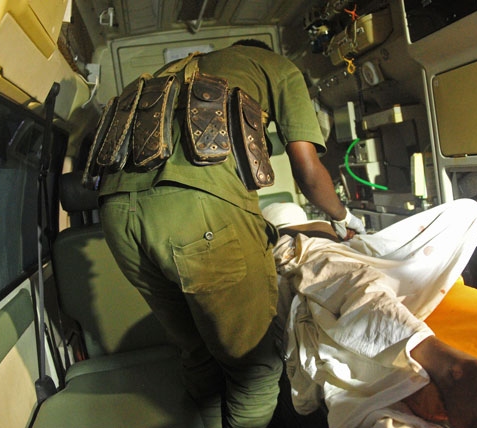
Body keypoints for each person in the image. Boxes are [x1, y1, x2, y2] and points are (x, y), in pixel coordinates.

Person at [94, 40, 365, 428]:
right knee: (254, 369)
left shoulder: (168, 72)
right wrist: (342, 217)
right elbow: (307, 168)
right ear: (259, 50)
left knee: (196, 353)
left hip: (117, 215)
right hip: (198, 215)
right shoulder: (278, 65)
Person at [263, 200, 477, 428]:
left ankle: (455, 374)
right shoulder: (286, 238)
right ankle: (455, 371)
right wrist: (342, 222)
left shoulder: (322, 243)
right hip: (324, 262)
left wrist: (348, 235)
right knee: (341, 292)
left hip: (353, 261)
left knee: (468, 212)